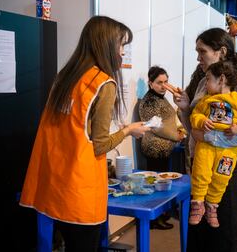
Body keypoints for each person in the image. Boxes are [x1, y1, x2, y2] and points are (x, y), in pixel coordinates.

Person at [19, 16, 150, 251]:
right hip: (80, 190)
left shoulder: (65, 77)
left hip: (51, 185)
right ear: (107, 44)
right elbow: (99, 145)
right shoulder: (104, 83)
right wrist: (130, 130)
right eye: (121, 45)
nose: (122, 52)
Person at [174, 28, 237, 252]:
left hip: (230, 167)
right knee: (202, 230)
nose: (198, 57)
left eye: (202, 51)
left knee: (230, 231)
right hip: (202, 163)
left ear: (221, 51)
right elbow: (193, 129)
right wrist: (185, 110)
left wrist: (211, 137)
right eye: (197, 51)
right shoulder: (204, 83)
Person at [189, 61, 237, 228]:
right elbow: (195, 115)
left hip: (229, 149)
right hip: (205, 146)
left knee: (222, 176)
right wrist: (202, 121)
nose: (206, 84)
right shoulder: (206, 100)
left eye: (208, 79)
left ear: (221, 79)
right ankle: (197, 204)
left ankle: (212, 206)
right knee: (200, 172)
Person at [139, 66, 184, 230]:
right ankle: (153, 219)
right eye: (159, 83)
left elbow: (167, 119)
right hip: (155, 149)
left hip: (163, 149)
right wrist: (175, 136)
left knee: (161, 184)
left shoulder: (161, 97)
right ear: (150, 83)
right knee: (156, 185)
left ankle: (160, 216)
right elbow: (156, 125)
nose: (164, 86)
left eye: (166, 82)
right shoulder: (150, 100)